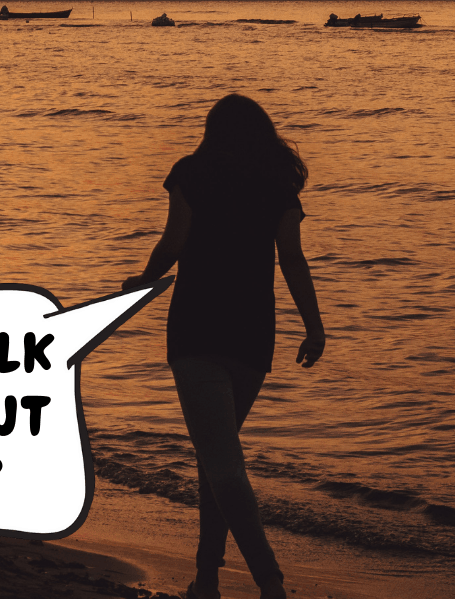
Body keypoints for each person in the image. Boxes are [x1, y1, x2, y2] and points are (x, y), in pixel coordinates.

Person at [122, 94, 325, 599]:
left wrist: (142, 281)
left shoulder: (191, 173)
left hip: (197, 329)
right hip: (253, 334)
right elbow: (293, 261)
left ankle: (269, 582)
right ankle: (207, 579)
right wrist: (314, 327)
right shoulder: (278, 185)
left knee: (221, 464)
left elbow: (174, 242)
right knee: (218, 456)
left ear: (212, 132)